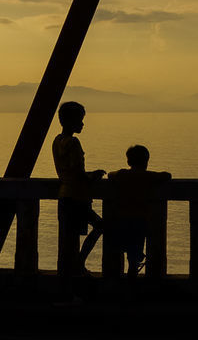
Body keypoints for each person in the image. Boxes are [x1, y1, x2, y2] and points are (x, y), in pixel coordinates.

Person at [52, 101, 104, 275]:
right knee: (101, 226)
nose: (82, 123)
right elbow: (79, 174)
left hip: (64, 195)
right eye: (80, 120)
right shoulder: (74, 143)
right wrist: (94, 175)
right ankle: (79, 264)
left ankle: (73, 271)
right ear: (71, 121)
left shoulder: (57, 141)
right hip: (77, 197)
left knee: (68, 242)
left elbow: (69, 171)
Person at [106, 144, 171, 277]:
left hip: (121, 220)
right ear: (146, 161)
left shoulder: (122, 174)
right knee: (134, 255)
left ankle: (116, 284)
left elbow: (110, 175)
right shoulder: (148, 176)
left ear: (128, 161)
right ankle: (133, 276)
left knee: (118, 252)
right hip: (140, 221)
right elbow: (166, 176)